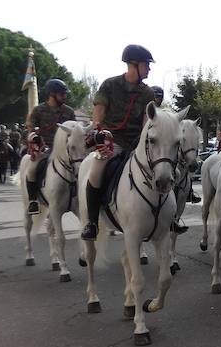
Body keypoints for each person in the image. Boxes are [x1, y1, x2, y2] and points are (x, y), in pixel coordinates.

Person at [81, 45, 156, 241]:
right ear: (134, 65)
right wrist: (98, 131)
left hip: (136, 144)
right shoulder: (109, 85)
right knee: (96, 169)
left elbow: (147, 123)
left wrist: (144, 143)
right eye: (146, 65)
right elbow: (99, 111)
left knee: (163, 168)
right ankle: (92, 222)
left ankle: (167, 217)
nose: (149, 69)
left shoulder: (147, 93)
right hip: (112, 141)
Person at [24, 78, 76, 214]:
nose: (65, 96)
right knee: (31, 169)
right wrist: (34, 138)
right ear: (52, 94)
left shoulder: (69, 112)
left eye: (65, 94)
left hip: (65, 151)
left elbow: (75, 130)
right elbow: (30, 129)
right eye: (62, 94)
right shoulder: (38, 110)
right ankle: (33, 200)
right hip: (44, 149)